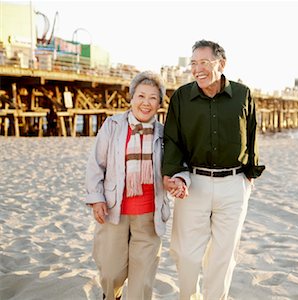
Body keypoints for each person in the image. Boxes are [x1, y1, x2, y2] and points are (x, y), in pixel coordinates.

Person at [162, 39, 265, 300]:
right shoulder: (182, 97)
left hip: (234, 185)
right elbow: (172, 139)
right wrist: (173, 173)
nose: (197, 69)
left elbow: (251, 133)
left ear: (221, 63)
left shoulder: (243, 94)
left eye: (204, 63)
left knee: (223, 255)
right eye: (193, 63)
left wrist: (250, 174)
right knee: (185, 253)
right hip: (194, 184)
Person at [85, 71, 189, 300]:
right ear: (131, 98)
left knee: (141, 284)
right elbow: (96, 165)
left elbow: (179, 166)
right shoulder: (112, 126)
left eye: (153, 98)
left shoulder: (165, 134)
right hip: (115, 211)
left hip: (149, 216)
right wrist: (97, 199)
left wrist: (179, 180)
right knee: (111, 275)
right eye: (141, 96)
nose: (146, 103)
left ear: (160, 103)